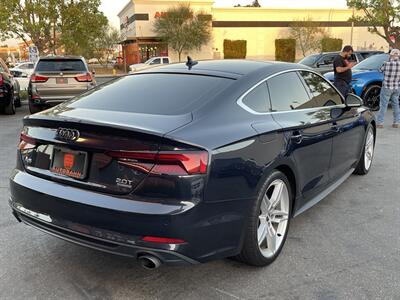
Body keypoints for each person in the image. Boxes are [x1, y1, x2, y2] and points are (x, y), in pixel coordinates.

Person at [376, 49, 400, 128]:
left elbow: (380, 70)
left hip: (387, 87)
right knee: (396, 104)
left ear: (391, 55)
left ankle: (380, 123)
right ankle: (396, 122)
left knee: (383, 105)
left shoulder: (386, 63)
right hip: (397, 87)